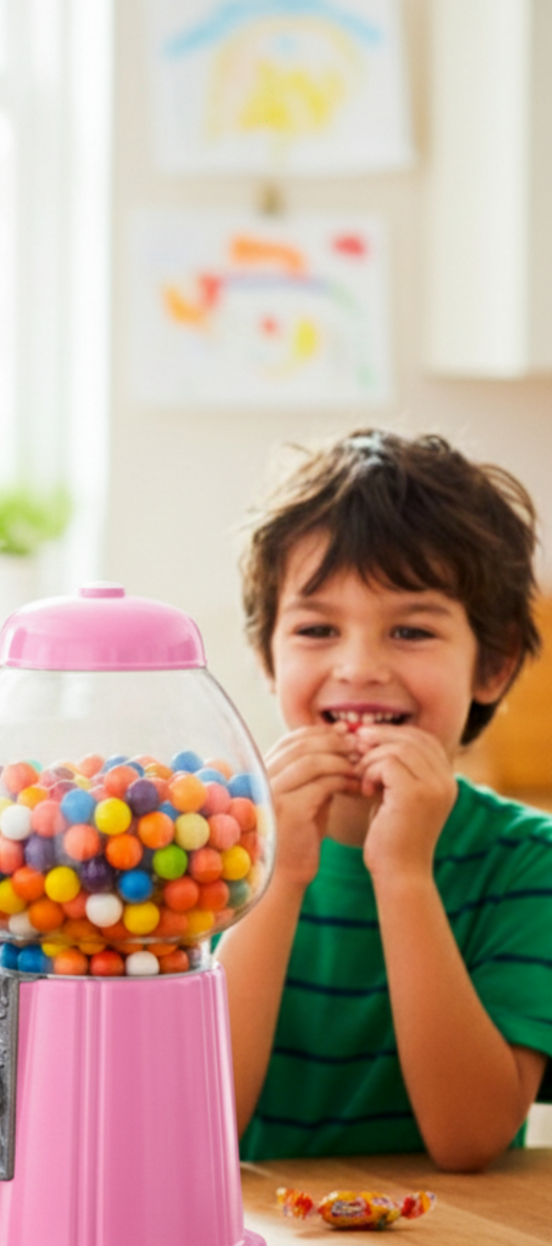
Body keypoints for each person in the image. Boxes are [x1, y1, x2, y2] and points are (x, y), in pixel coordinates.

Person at [222, 428, 552, 1173]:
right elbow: (198, 1119)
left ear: (492, 665)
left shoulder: (529, 863)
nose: (358, 665)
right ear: (266, 659)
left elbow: (469, 1136)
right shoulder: (208, 840)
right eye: (315, 628)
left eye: (409, 629)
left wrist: (403, 873)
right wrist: (280, 876)